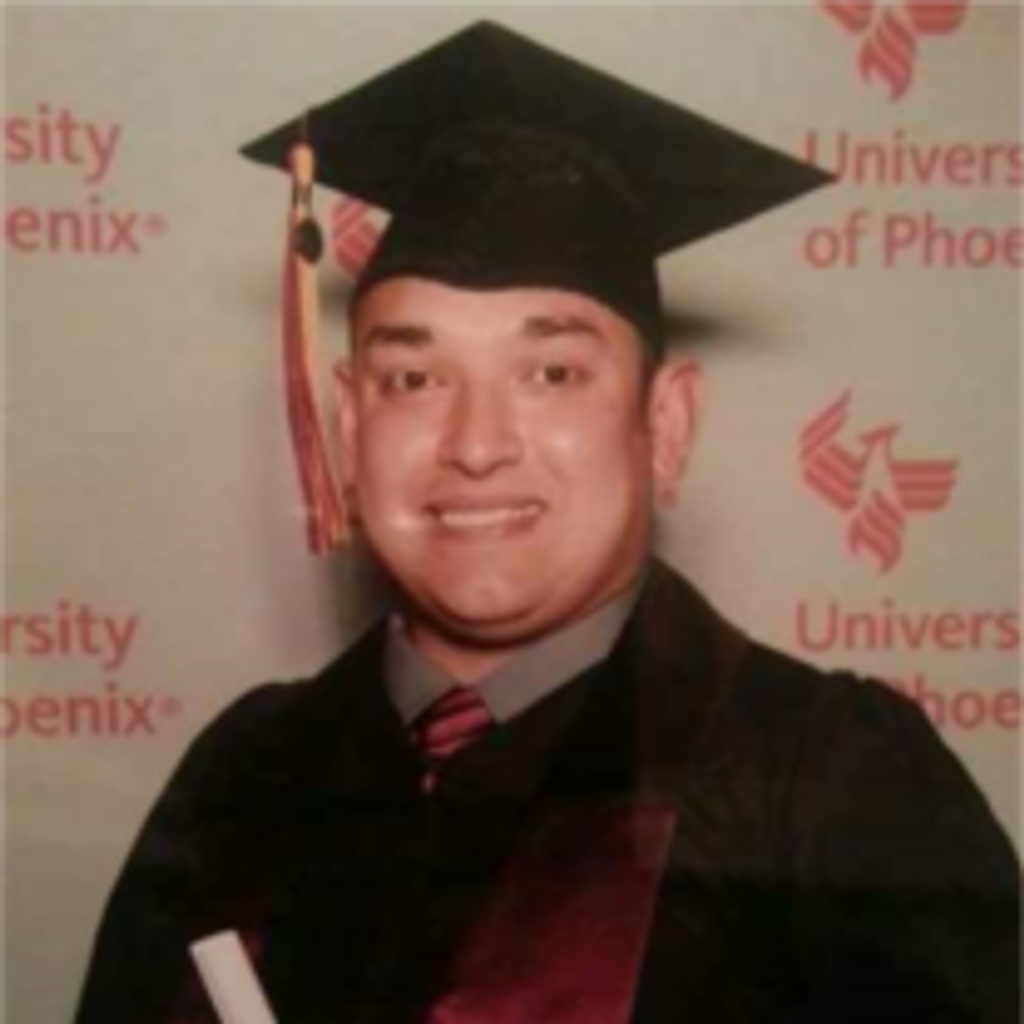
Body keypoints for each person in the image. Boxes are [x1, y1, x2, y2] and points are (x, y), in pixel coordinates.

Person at [75, 22, 1024, 1024]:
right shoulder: (242, 773)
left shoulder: (825, 780)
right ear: (350, 428)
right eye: (414, 378)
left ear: (665, 425)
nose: (476, 444)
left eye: (552, 372)